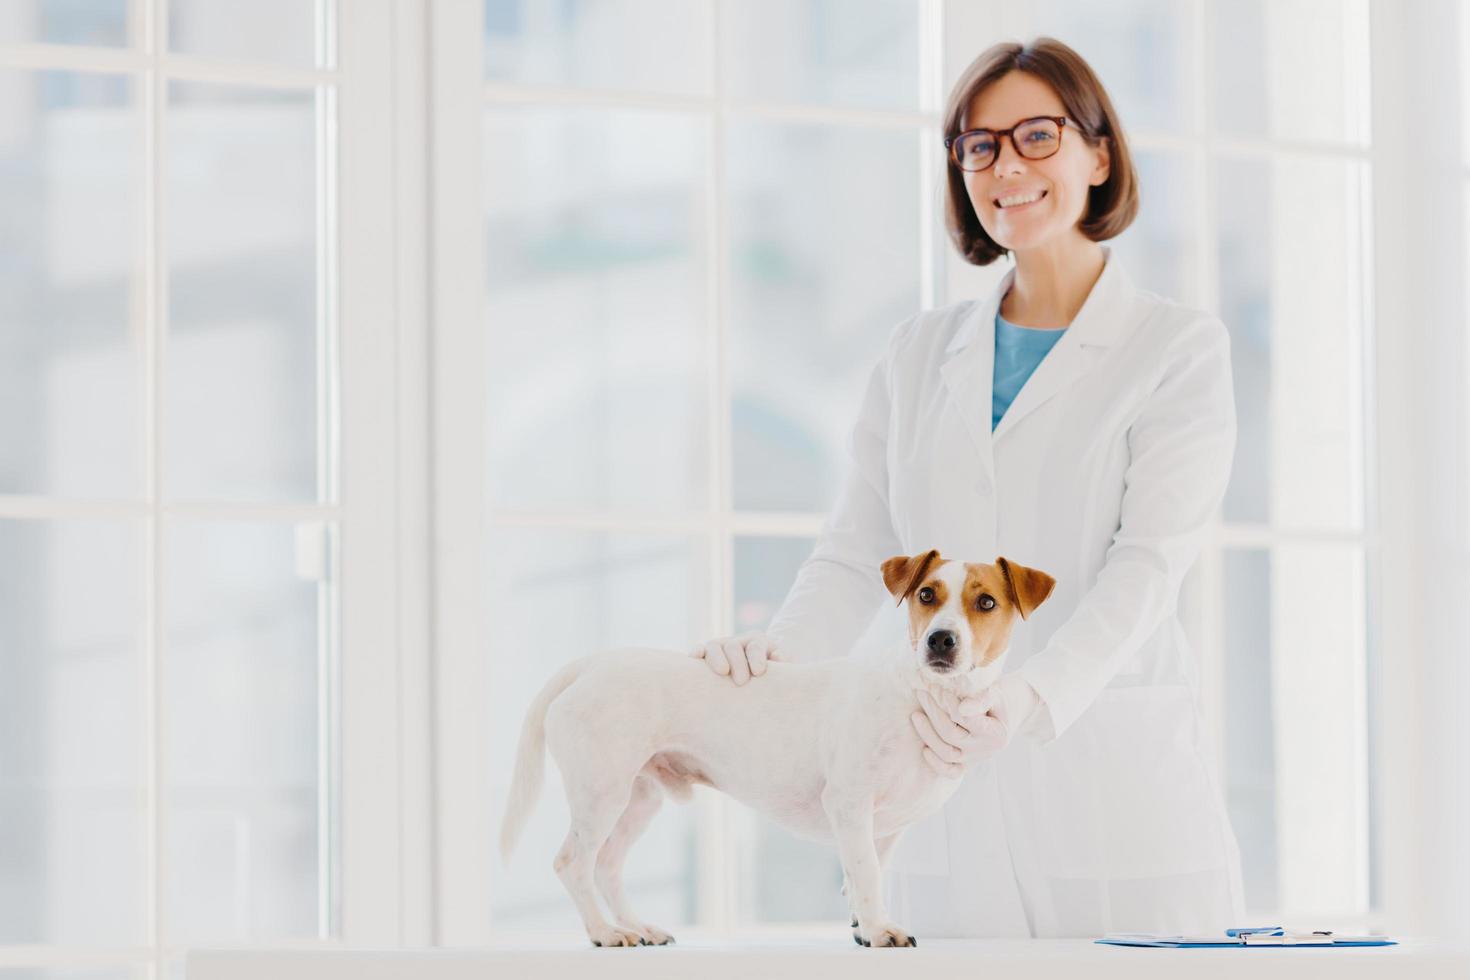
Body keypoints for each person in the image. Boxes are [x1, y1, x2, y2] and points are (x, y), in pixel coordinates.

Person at [690, 37, 1245, 938]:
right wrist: (775, 666)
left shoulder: (1175, 351)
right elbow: (855, 549)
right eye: (978, 146)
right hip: (931, 782)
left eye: (1037, 135)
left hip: (1108, 781)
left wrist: (1032, 695)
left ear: (1098, 155)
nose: (1006, 166)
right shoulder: (917, 354)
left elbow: (1146, 567)